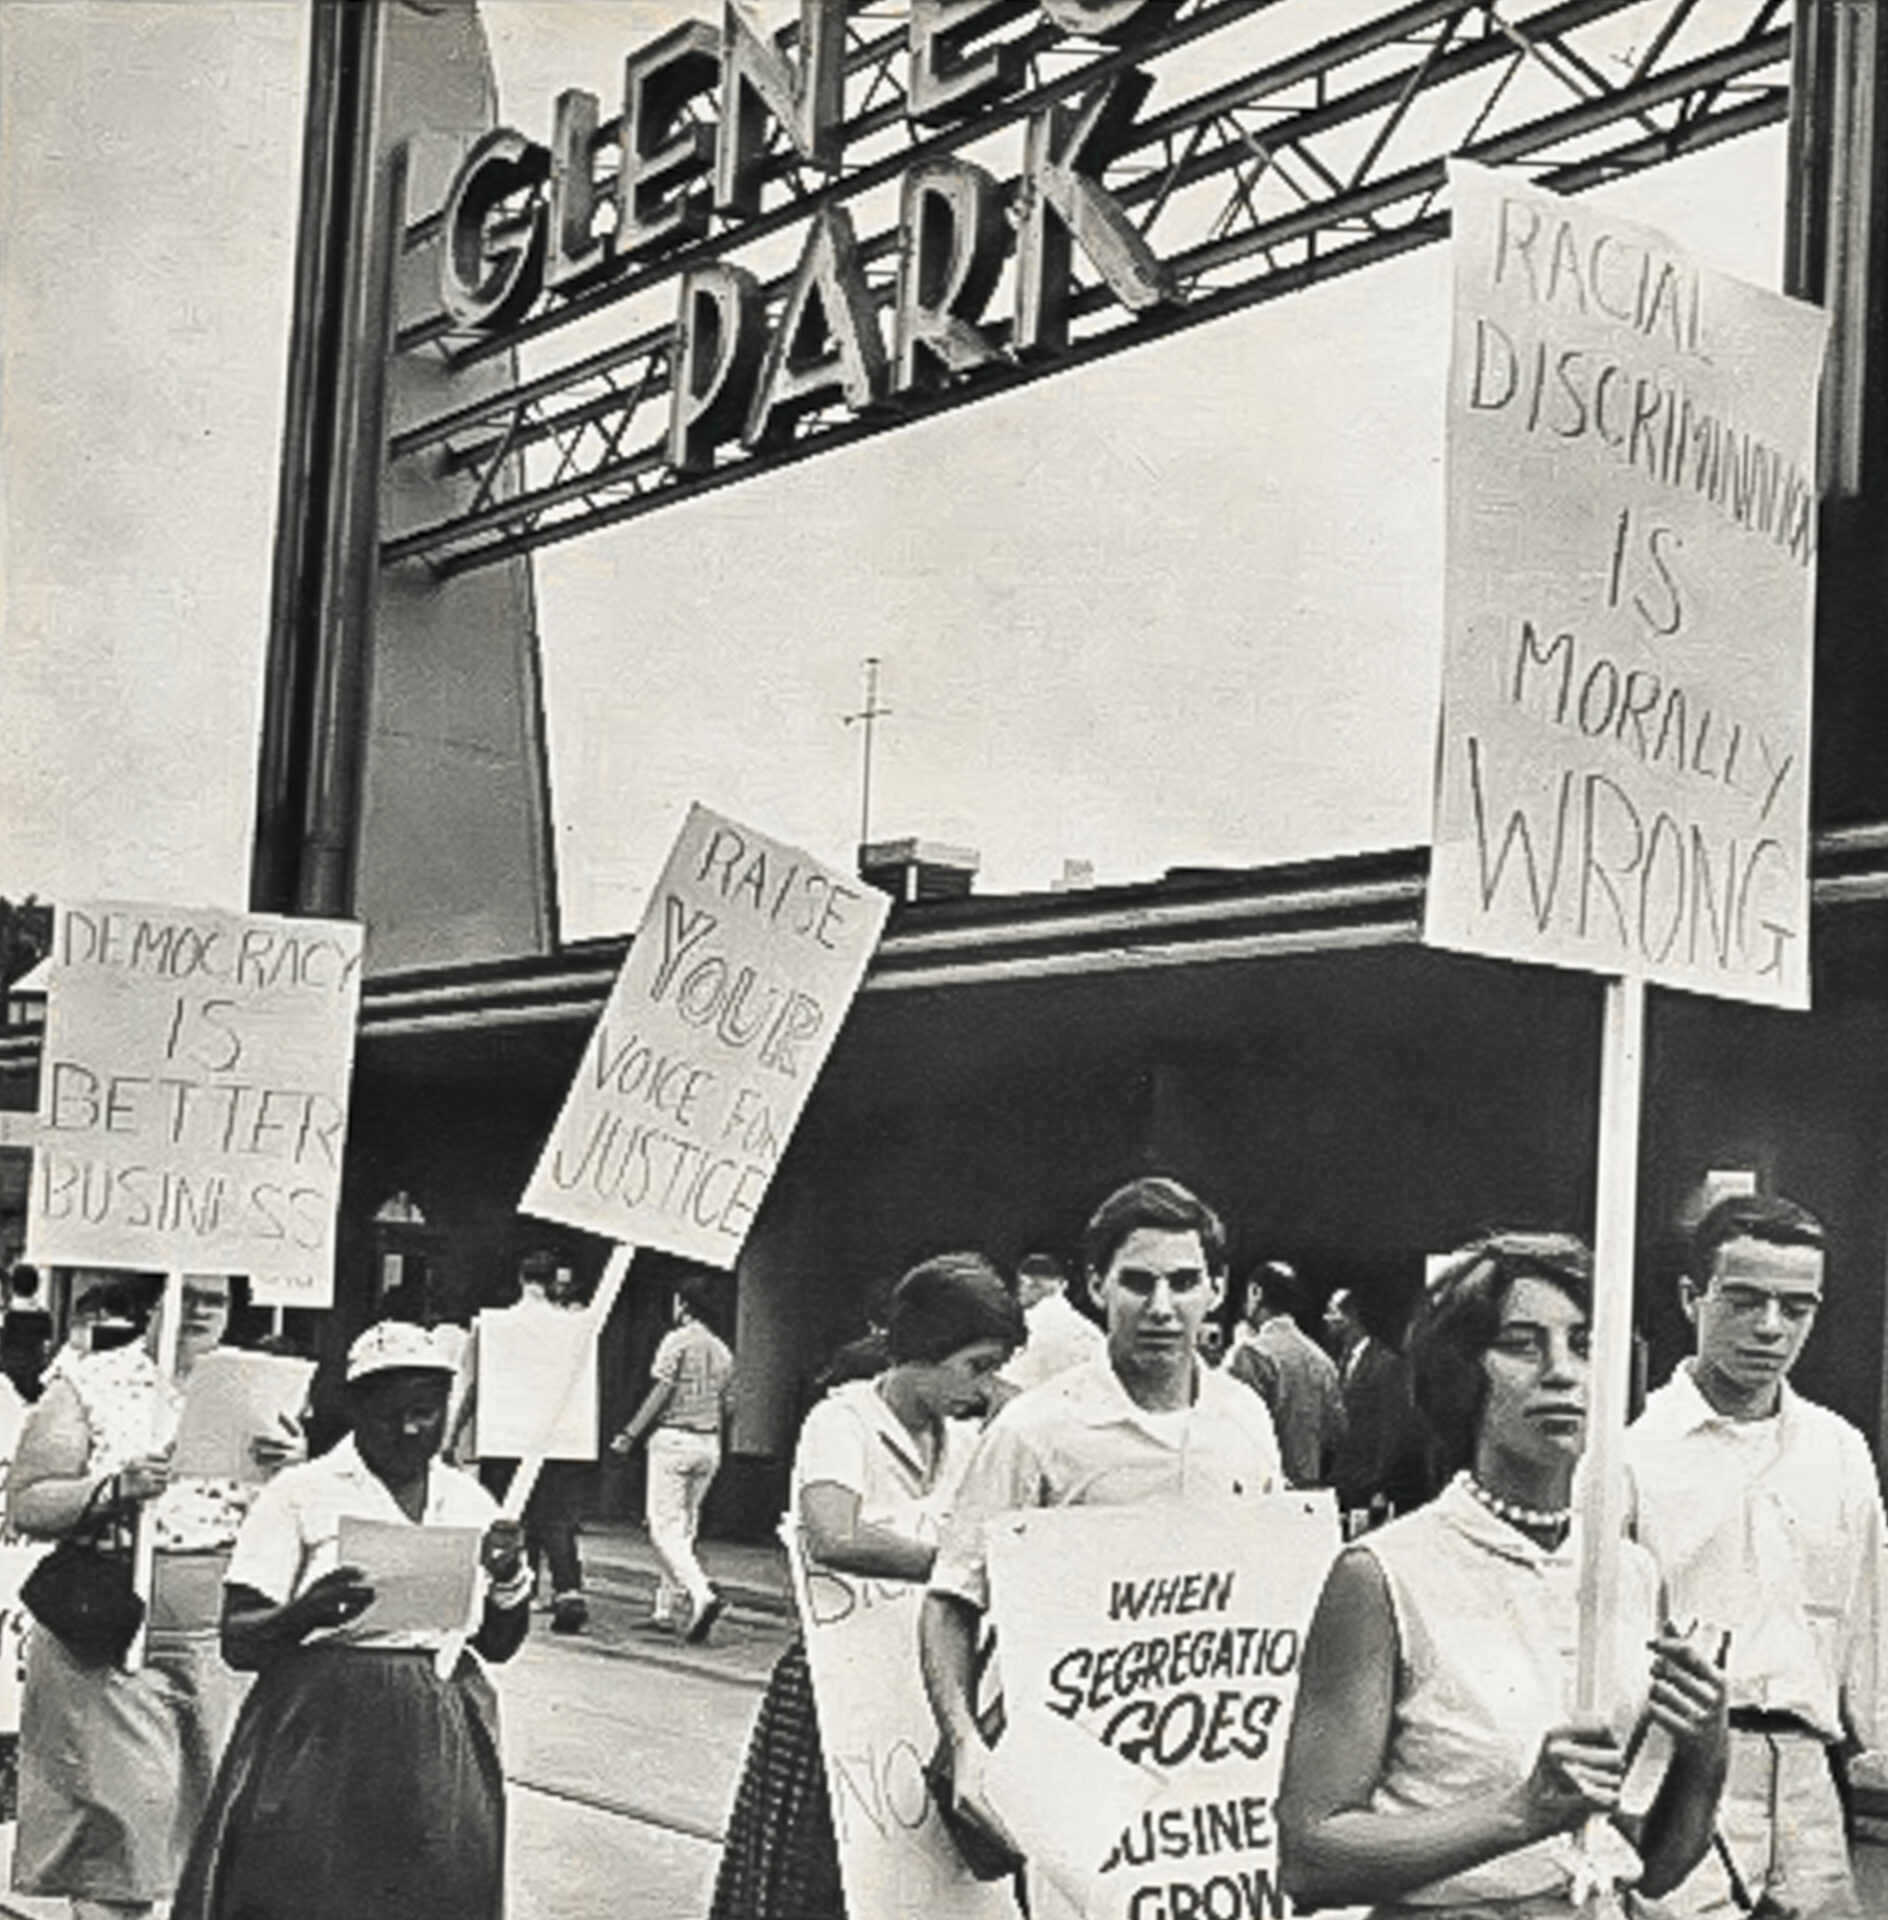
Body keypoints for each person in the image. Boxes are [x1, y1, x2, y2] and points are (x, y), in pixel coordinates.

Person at [1278, 1232, 1729, 1915]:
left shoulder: (1629, 1573)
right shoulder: (1384, 1575)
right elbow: (1310, 1857)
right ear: (1463, 1370)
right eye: (1522, 1343)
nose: (1561, 1371)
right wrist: (1518, 1814)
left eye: (1585, 1344)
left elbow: (1651, 1867)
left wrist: (1704, 1755)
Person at [921, 1176, 1284, 1863]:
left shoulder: (1245, 1418)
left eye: (1183, 1282)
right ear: (1096, 1286)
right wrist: (966, 1743)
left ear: (1218, 1287)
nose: (1161, 1307)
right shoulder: (1036, 1429)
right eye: (1137, 1283)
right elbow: (952, 1597)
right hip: (1074, 1769)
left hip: (1208, 1776)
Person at [172, 1319, 530, 1920]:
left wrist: (508, 1579)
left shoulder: (469, 1502)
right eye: (390, 1414)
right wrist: (305, 1612)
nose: (411, 1430)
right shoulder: (301, 1492)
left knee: (435, 1885)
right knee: (309, 1887)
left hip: (438, 1734)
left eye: (426, 1410)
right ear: (356, 1409)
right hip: (321, 1731)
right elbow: (239, 1636)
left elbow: (498, 1645)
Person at [709, 1252, 1024, 1920]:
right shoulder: (840, 1424)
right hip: (841, 1688)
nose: (984, 1385)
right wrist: (954, 1563)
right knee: (814, 1874)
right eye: (977, 1366)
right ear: (927, 1351)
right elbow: (833, 1533)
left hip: (925, 1694)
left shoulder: (966, 1442)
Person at [9, 1273, 302, 1920]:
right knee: (123, 1833)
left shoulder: (259, 1391)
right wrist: (113, 1489)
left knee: (212, 1835)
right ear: (153, 1298)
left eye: (216, 1298)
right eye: (185, 1292)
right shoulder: (91, 1383)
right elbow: (27, 1501)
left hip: (221, 1638)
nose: (199, 1309)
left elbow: (299, 1523)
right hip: (114, 1632)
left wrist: (292, 1471)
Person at [1624, 1193, 1883, 1919]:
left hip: (1809, 1780)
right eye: (1744, 1300)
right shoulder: (1632, 1455)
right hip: (1678, 1771)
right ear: (1692, 1298)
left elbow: (1868, 1619)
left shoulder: (1839, 1450)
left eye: (1796, 1307)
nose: (1771, 1327)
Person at [458, 1251, 594, 1633]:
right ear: (555, 1282)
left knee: (505, 1516)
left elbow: (475, 1384)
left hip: (505, 1435)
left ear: (520, 1278)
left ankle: (510, 1586)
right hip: (559, 1437)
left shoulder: (495, 1326)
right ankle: (568, 1591)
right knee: (556, 1519)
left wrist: (455, 1431)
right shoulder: (576, 1327)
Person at [612, 1271, 735, 1641]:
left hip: (673, 1440)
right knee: (684, 1529)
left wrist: (629, 1433)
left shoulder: (677, 1341)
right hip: (709, 1444)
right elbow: (729, 1405)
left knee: (663, 1527)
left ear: (682, 1304)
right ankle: (664, 1607)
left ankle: (701, 1593)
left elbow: (661, 1392)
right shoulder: (723, 1350)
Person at [1226, 1258, 1345, 1486]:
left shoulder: (1250, 1354)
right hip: (1308, 1492)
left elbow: (1230, 1428)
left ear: (1255, 1292)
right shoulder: (1323, 1361)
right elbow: (1335, 1432)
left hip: (1256, 1489)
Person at [1326, 1285, 1435, 1520]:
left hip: (1367, 1487)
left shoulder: (1386, 1365)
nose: (1326, 1319)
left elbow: (1391, 1429)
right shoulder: (1339, 1363)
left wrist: (1381, 1487)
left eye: (1332, 1312)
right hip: (1342, 1483)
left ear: (1350, 1317)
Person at [991, 1250, 1105, 1395]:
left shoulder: (1045, 1319)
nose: (1020, 1291)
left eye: (1031, 1286)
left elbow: (1012, 1384)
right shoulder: (1081, 1325)